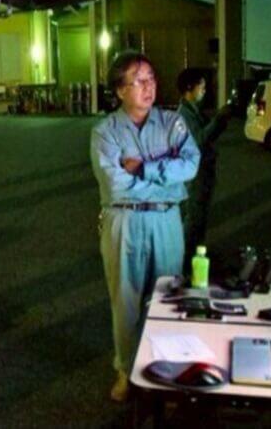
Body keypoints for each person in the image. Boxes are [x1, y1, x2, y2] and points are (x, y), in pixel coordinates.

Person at [90, 51, 200, 401]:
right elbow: (115, 184)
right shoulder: (105, 132)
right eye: (138, 81)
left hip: (166, 219)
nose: (149, 86)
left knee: (167, 299)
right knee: (126, 300)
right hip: (124, 219)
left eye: (151, 78)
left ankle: (164, 371)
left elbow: (191, 165)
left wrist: (144, 169)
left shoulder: (171, 122)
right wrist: (165, 179)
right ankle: (126, 370)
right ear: (120, 90)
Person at [176, 68, 231, 270]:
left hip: (202, 172)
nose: (204, 91)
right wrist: (218, 120)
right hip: (196, 174)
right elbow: (198, 140)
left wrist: (219, 121)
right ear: (189, 88)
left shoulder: (193, 110)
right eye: (201, 86)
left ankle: (194, 255)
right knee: (194, 218)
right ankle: (185, 261)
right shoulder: (183, 115)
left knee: (199, 218)